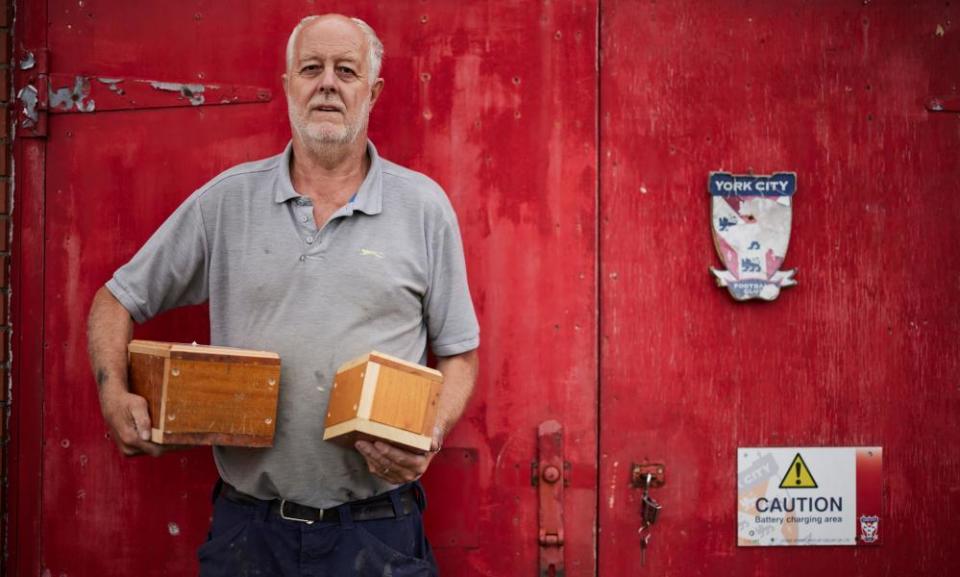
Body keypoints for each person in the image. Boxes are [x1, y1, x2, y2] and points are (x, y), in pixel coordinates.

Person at [86, 13, 479, 577]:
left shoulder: (423, 208)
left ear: (374, 90)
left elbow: (460, 354)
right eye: (311, 68)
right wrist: (113, 393)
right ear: (288, 83)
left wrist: (430, 434)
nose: (327, 83)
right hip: (250, 531)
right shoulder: (227, 204)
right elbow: (115, 299)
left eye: (346, 70)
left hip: (378, 530)